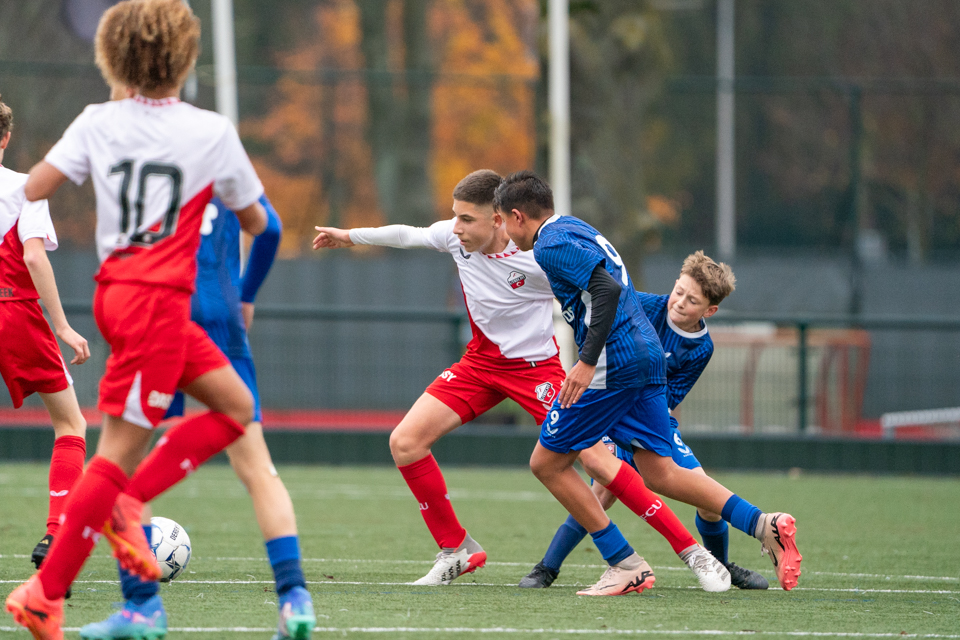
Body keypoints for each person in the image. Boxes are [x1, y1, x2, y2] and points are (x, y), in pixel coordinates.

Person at [314, 170, 728, 593]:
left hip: (536, 370)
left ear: (499, 219)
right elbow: (407, 234)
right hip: (480, 364)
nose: (455, 229)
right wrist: (349, 236)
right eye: (454, 218)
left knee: (598, 462)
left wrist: (602, 355)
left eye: (466, 220)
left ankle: (691, 552)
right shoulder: (455, 237)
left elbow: (603, 292)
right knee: (404, 442)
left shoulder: (539, 259)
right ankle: (456, 548)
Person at [5, 2, 274, 637]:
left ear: (112, 57)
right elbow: (259, 221)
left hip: (125, 297)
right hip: (154, 299)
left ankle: (114, 591)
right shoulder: (209, 130)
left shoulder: (99, 120)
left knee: (235, 409)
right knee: (116, 457)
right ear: (185, 54)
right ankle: (54, 593)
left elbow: (36, 186)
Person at [495, 170, 802, 593]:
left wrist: (586, 362)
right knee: (660, 472)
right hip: (646, 356)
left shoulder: (549, 244)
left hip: (612, 363)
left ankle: (623, 563)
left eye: (504, 224)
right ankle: (762, 522)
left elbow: (606, 290)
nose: (507, 236)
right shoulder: (575, 227)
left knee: (547, 462)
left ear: (516, 216)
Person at [78, 195, 315, 640]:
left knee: (122, 467)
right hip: (222, 317)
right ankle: (294, 597)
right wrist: (245, 296)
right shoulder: (220, 151)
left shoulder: (144, 154)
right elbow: (272, 229)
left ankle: (141, 604)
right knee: (258, 470)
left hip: (160, 315)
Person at [521, 251, 768, 590]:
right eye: (678, 291)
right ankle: (546, 568)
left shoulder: (701, 347)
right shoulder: (644, 306)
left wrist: (643, 428)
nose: (679, 302)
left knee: (705, 497)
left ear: (710, 311)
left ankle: (720, 565)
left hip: (653, 421)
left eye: (691, 300)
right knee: (599, 492)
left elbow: (671, 398)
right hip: (612, 412)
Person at [0, 95, 90, 581]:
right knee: (70, 424)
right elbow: (33, 257)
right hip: (12, 309)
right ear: (7, 139)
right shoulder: (24, 188)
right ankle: (56, 534)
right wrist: (62, 326)